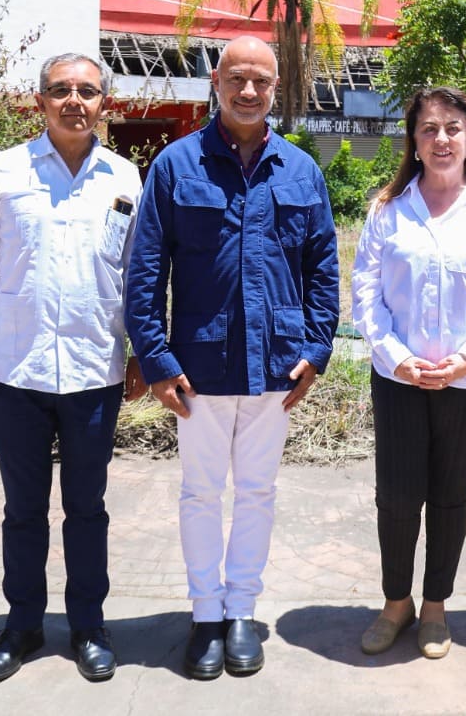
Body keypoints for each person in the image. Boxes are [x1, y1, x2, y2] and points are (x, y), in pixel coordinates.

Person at [124, 35, 340, 681]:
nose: (249, 91)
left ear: (277, 88)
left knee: (257, 492)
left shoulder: (300, 171)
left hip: (276, 366)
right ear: (215, 83)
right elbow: (145, 269)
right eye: (237, 78)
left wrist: (317, 350)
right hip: (200, 367)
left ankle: (242, 610)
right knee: (199, 493)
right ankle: (205, 615)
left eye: (261, 81)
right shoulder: (176, 165)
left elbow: (323, 269)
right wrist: (156, 358)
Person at [0, 52, 147, 685]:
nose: (74, 101)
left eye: (87, 91)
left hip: (95, 371)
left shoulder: (125, 178)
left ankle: (89, 625)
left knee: (87, 508)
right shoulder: (5, 172)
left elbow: (140, 276)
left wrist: (143, 351)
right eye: (61, 90)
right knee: (23, 510)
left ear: (104, 104)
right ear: (39, 102)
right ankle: (22, 626)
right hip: (17, 371)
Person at [351, 87, 466, 660]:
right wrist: (397, 357)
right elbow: (364, 294)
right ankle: (396, 603)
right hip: (398, 378)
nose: (442, 139)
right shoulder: (388, 210)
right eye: (429, 128)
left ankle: (434, 607)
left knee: (450, 493)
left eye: (453, 127)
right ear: (414, 140)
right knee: (397, 495)